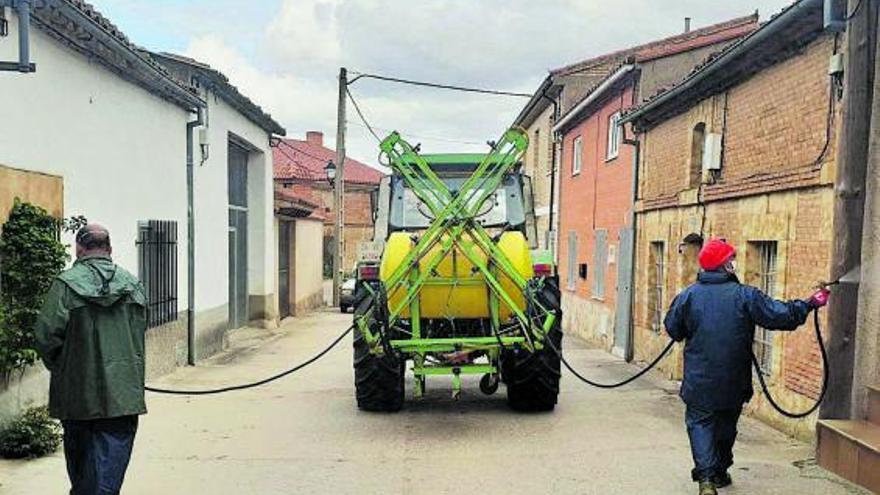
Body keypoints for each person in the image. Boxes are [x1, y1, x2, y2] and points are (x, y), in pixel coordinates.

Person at [663, 238, 830, 495]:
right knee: (726, 427)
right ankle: (718, 471)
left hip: (699, 380)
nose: (734, 263)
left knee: (700, 425)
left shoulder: (687, 296)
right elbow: (780, 315)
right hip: (733, 381)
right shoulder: (745, 296)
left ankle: (707, 479)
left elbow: (673, 329)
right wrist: (809, 303)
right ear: (724, 266)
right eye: (731, 259)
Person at [34, 224, 148, 495]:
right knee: (111, 465)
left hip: (77, 392)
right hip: (122, 392)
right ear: (109, 249)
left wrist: (63, 367)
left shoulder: (65, 285)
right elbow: (139, 331)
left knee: (82, 462)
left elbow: (46, 335)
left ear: (79, 249)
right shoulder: (132, 284)